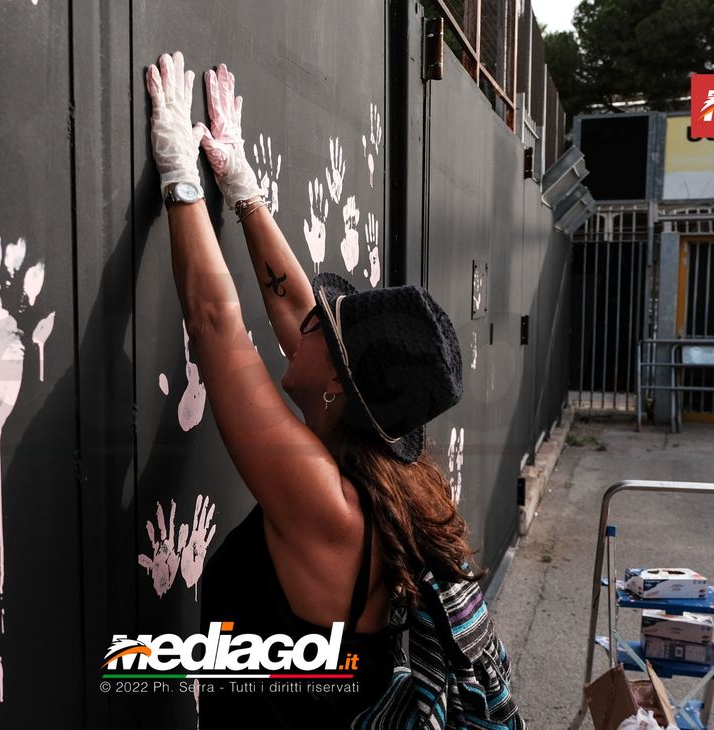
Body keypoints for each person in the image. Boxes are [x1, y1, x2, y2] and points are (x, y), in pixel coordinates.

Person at [146, 51, 524, 729]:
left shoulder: (328, 507)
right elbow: (298, 318)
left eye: (324, 329)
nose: (302, 324)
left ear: (336, 390)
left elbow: (215, 325)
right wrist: (242, 188)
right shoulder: (387, 473)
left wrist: (180, 177)